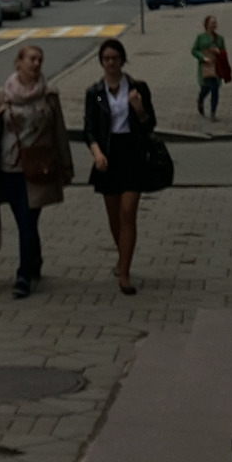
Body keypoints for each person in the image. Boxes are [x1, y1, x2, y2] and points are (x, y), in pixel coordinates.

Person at [0, 42, 74, 299]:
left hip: (38, 169)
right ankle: (34, 259)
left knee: (27, 220)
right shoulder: (2, 95)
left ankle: (23, 276)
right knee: (24, 221)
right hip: (7, 168)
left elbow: (60, 132)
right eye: (31, 59)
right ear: (18, 62)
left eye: (40, 59)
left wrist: (66, 167)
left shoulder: (49, 96)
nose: (36, 63)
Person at [84, 37, 156, 295]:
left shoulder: (138, 88)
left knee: (128, 212)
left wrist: (139, 109)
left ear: (123, 60)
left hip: (132, 153)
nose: (111, 63)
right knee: (114, 217)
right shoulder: (95, 92)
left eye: (115, 58)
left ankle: (124, 273)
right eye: (106, 59)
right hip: (108, 154)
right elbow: (89, 129)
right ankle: (121, 257)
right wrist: (96, 153)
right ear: (101, 62)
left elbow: (150, 124)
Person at [192, 12, 225, 120]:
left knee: (215, 89)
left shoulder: (219, 38)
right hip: (205, 67)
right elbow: (194, 50)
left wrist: (218, 52)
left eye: (215, 23)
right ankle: (200, 100)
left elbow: (224, 52)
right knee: (205, 88)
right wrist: (202, 57)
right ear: (206, 24)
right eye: (211, 23)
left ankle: (213, 112)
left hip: (216, 67)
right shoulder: (200, 37)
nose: (214, 25)